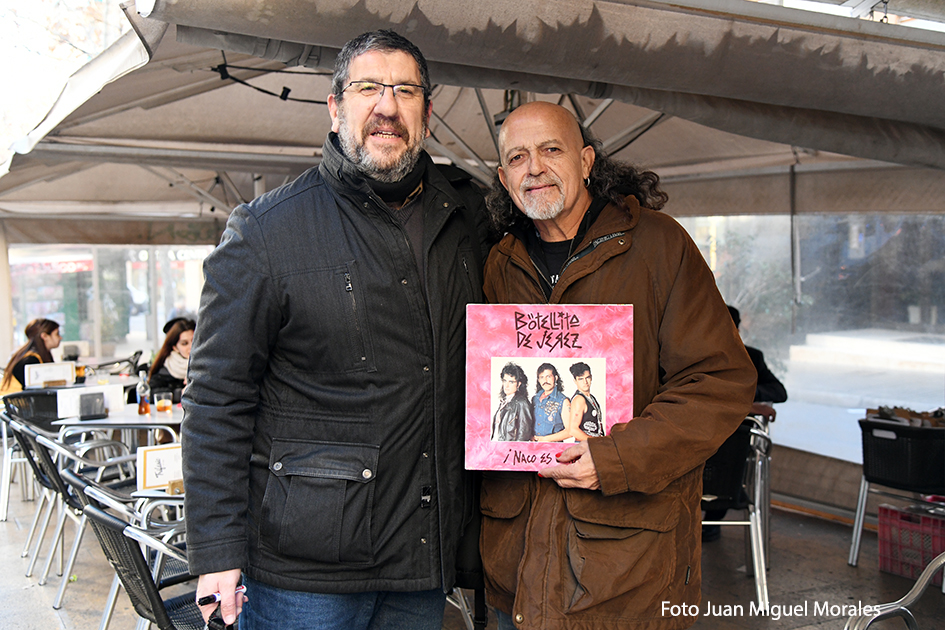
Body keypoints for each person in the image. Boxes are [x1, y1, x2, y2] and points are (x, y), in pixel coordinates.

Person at [180, 30, 489, 630]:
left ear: (427, 112)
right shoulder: (266, 230)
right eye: (368, 88)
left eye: (405, 91)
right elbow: (217, 396)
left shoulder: (467, 218)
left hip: (422, 559)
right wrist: (216, 550)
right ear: (334, 106)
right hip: (303, 573)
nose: (387, 106)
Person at [479, 101, 756, 630]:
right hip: (516, 567)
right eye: (517, 157)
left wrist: (614, 457)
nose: (534, 167)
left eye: (551, 149)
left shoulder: (658, 245)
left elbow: (719, 381)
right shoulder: (501, 261)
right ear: (503, 176)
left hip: (625, 571)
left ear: (586, 161)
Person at [702, 305, 789, 542]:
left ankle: (714, 516)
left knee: (734, 445)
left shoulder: (751, 357)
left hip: (729, 452)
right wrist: (743, 402)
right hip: (698, 442)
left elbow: (779, 392)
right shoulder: (692, 358)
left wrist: (745, 393)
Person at [1, 318, 61, 394]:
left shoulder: (33, 355)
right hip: (13, 399)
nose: (60, 338)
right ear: (44, 336)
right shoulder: (30, 360)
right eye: (57, 334)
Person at [147, 318, 195, 403]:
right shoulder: (165, 369)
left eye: (194, 341)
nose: (191, 346)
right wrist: (180, 393)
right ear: (175, 347)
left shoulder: (208, 365)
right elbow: (151, 395)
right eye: (184, 343)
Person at [492, 362, 535, 442]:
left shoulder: (521, 403)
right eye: (505, 381)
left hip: (509, 448)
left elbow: (524, 434)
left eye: (511, 382)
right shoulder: (504, 402)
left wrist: (513, 448)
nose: (506, 385)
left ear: (518, 384)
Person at [531, 363, 571, 442]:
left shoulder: (563, 401)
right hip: (534, 446)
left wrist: (545, 439)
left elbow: (570, 431)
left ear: (555, 378)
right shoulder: (535, 399)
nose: (545, 381)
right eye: (542, 377)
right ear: (538, 380)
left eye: (548, 376)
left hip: (554, 446)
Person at [567, 362, 603, 440]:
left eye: (587, 378)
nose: (585, 382)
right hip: (585, 444)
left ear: (591, 377)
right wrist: (594, 443)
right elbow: (573, 430)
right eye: (581, 379)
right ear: (575, 381)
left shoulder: (591, 398)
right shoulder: (579, 399)